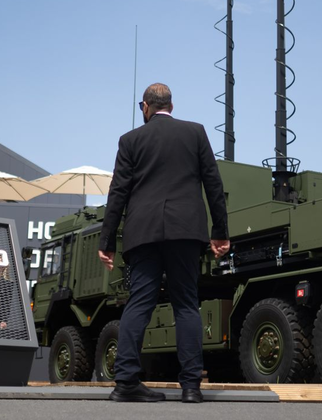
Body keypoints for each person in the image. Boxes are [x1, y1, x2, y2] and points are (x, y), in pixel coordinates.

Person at [98, 83, 228, 404]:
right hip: (185, 230)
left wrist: (107, 241)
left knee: (140, 302)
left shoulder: (130, 140)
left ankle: (126, 381)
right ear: (171, 104)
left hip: (142, 233)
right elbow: (213, 183)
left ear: (145, 106)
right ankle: (191, 387)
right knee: (186, 303)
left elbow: (118, 193)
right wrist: (220, 232)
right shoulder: (195, 133)